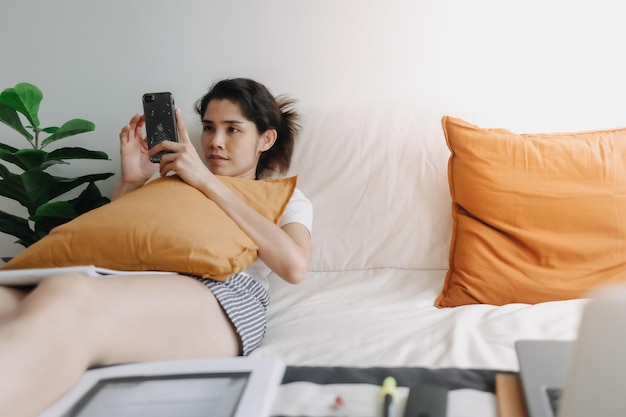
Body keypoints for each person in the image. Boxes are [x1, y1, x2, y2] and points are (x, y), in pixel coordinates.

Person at [0, 78, 313, 417]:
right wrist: (132, 182)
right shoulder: (168, 181)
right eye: (209, 128)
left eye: (232, 130)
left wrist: (210, 183)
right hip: (127, 278)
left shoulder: (285, 197)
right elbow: (116, 238)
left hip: (222, 293)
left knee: (69, 295)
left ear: (265, 139)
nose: (215, 142)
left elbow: (294, 265)